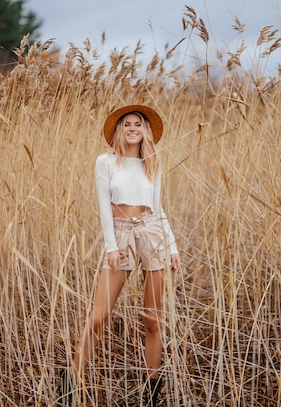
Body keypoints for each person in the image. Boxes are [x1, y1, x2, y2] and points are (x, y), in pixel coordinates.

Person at [59, 105, 181, 407]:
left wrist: (173, 246)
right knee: (99, 316)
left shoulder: (152, 162)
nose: (132, 128)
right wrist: (111, 246)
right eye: (126, 124)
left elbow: (158, 206)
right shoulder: (106, 162)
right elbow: (103, 208)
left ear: (145, 131)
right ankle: (71, 382)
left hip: (153, 233)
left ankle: (153, 391)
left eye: (137, 124)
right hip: (121, 232)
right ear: (119, 130)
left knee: (152, 319)